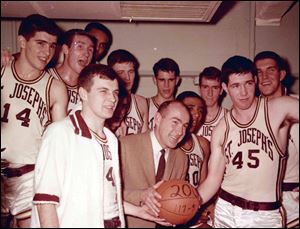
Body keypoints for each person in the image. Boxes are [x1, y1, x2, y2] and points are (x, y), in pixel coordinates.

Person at [30, 64, 169, 228]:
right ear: (83, 93)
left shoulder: (110, 138)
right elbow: (45, 201)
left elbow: (105, 197)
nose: (112, 99)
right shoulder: (60, 133)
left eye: (115, 92)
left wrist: (138, 211)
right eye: (103, 91)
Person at [197, 55, 299, 228]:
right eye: (236, 86)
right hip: (225, 209)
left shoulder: (279, 109)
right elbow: (213, 180)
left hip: (264, 215)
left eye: (248, 83)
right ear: (225, 88)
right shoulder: (222, 128)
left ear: (256, 81)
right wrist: (187, 204)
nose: (243, 92)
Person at [1, 14, 68, 228]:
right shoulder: (2, 69)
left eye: (52, 46)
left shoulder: (55, 88)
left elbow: (60, 143)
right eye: (40, 43)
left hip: (29, 176)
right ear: (22, 42)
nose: (47, 52)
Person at [120, 100, 190, 227]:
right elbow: (106, 193)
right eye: (175, 122)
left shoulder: (182, 158)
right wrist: (141, 195)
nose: (180, 131)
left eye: (185, 126)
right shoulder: (124, 145)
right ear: (158, 118)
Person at [254, 50, 299, 228]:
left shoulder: (296, 105)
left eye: (270, 70)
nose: (264, 77)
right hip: (260, 198)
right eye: (258, 72)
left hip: (293, 198)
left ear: (281, 74)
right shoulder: (250, 111)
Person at [176, 91, 211, 227]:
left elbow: (204, 183)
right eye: (190, 109)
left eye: (200, 111)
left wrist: (202, 209)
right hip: (172, 210)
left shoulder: (203, 144)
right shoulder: (169, 143)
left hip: (196, 208)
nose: (196, 115)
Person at [47, 29, 96, 114]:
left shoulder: (89, 87)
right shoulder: (46, 77)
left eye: (90, 50)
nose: (87, 54)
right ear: (66, 49)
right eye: (80, 47)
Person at [107, 49, 148, 135]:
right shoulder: (105, 101)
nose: (127, 77)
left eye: (131, 72)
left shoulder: (142, 102)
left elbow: (144, 140)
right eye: (120, 72)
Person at [147, 58, 181, 130]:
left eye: (171, 80)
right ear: (155, 80)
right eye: (162, 80)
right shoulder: (144, 105)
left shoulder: (182, 108)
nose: (166, 85)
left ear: (177, 80)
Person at [197, 66, 227, 141]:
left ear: (221, 90)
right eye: (205, 87)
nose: (210, 93)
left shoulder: (229, 117)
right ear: (199, 89)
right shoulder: (190, 117)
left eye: (215, 88)